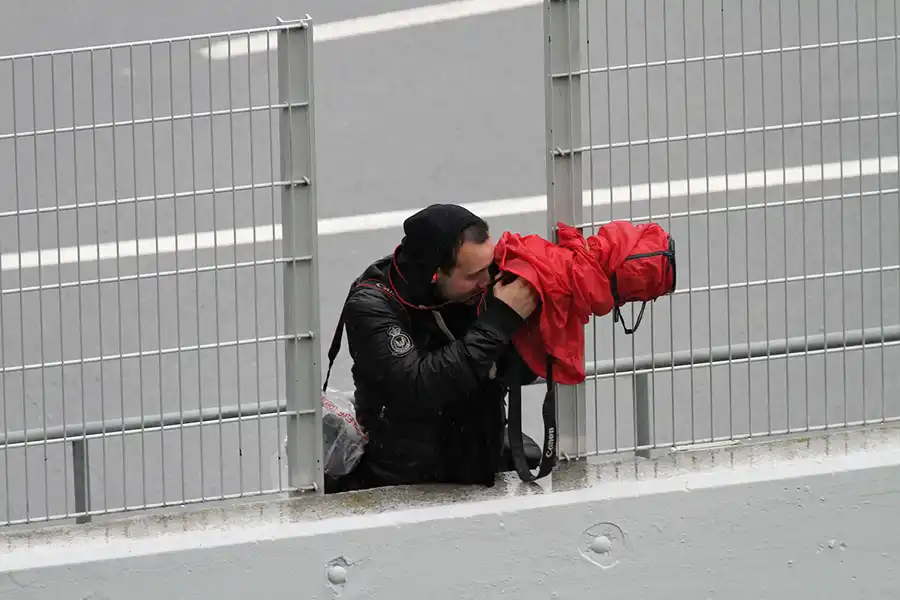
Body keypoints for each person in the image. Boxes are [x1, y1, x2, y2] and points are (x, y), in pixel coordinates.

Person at [326, 204, 541, 492]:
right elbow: (417, 384)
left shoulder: (483, 288)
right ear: (434, 274)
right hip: (403, 480)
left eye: (489, 267)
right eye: (474, 274)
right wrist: (499, 322)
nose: (487, 281)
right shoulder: (371, 305)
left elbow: (522, 371)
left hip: (479, 461)